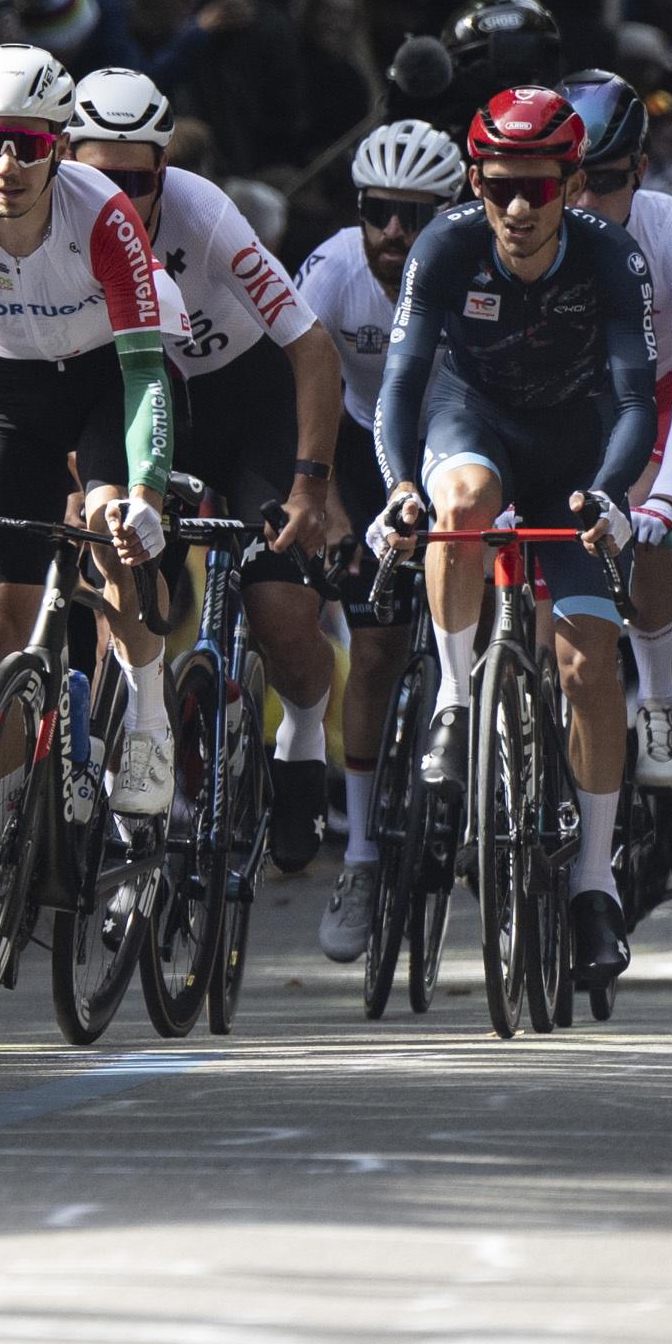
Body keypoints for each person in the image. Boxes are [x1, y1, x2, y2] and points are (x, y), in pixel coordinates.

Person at [0, 44, 183, 978]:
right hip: (11, 389)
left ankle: (149, 724)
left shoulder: (105, 216)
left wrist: (146, 491)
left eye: (28, 144)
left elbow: (145, 375)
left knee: (107, 520)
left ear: (57, 146)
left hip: (109, 380)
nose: (6, 164)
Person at [377, 81, 659, 987]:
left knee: (588, 663)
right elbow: (402, 382)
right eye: (500, 187)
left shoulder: (612, 257)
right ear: (476, 183)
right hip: (475, 422)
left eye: (539, 188)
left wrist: (609, 495)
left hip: (575, 449)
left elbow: (633, 399)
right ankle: (456, 705)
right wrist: (397, 489)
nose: (519, 208)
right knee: (459, 505)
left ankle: (594, 884)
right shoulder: (446, 245)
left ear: (572, 185)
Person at [59, 63, 339, 853]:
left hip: (244, 405)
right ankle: (134, 777)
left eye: (136, 183)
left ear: (165, 171)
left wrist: (310, 487)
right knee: (119, 568)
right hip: (134, 401)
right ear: (66, 165)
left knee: (281, 614)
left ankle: (303, 737)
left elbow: (313, 349)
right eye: (99, 181)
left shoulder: (204, 213)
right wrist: (73, 473)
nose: (117, 202)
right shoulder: (49, 217)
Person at [295, 115, 457, 963]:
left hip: (460, 443)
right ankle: (359, 855)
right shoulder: (331, 271)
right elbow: (300, 387)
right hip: (361, 450)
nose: (394, 230)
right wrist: (325, 504)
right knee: (377, 646)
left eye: (415, 214)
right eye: (378, 210)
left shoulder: (477, 263)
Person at [563, 71, 672, 823]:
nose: (582, 202)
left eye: (602, 182)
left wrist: (664, 499)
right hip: (564, 398)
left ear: (640, 170)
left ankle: (657, 695)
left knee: (642, 509)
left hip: (653, 393)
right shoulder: (525, 225)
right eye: (567, 181)